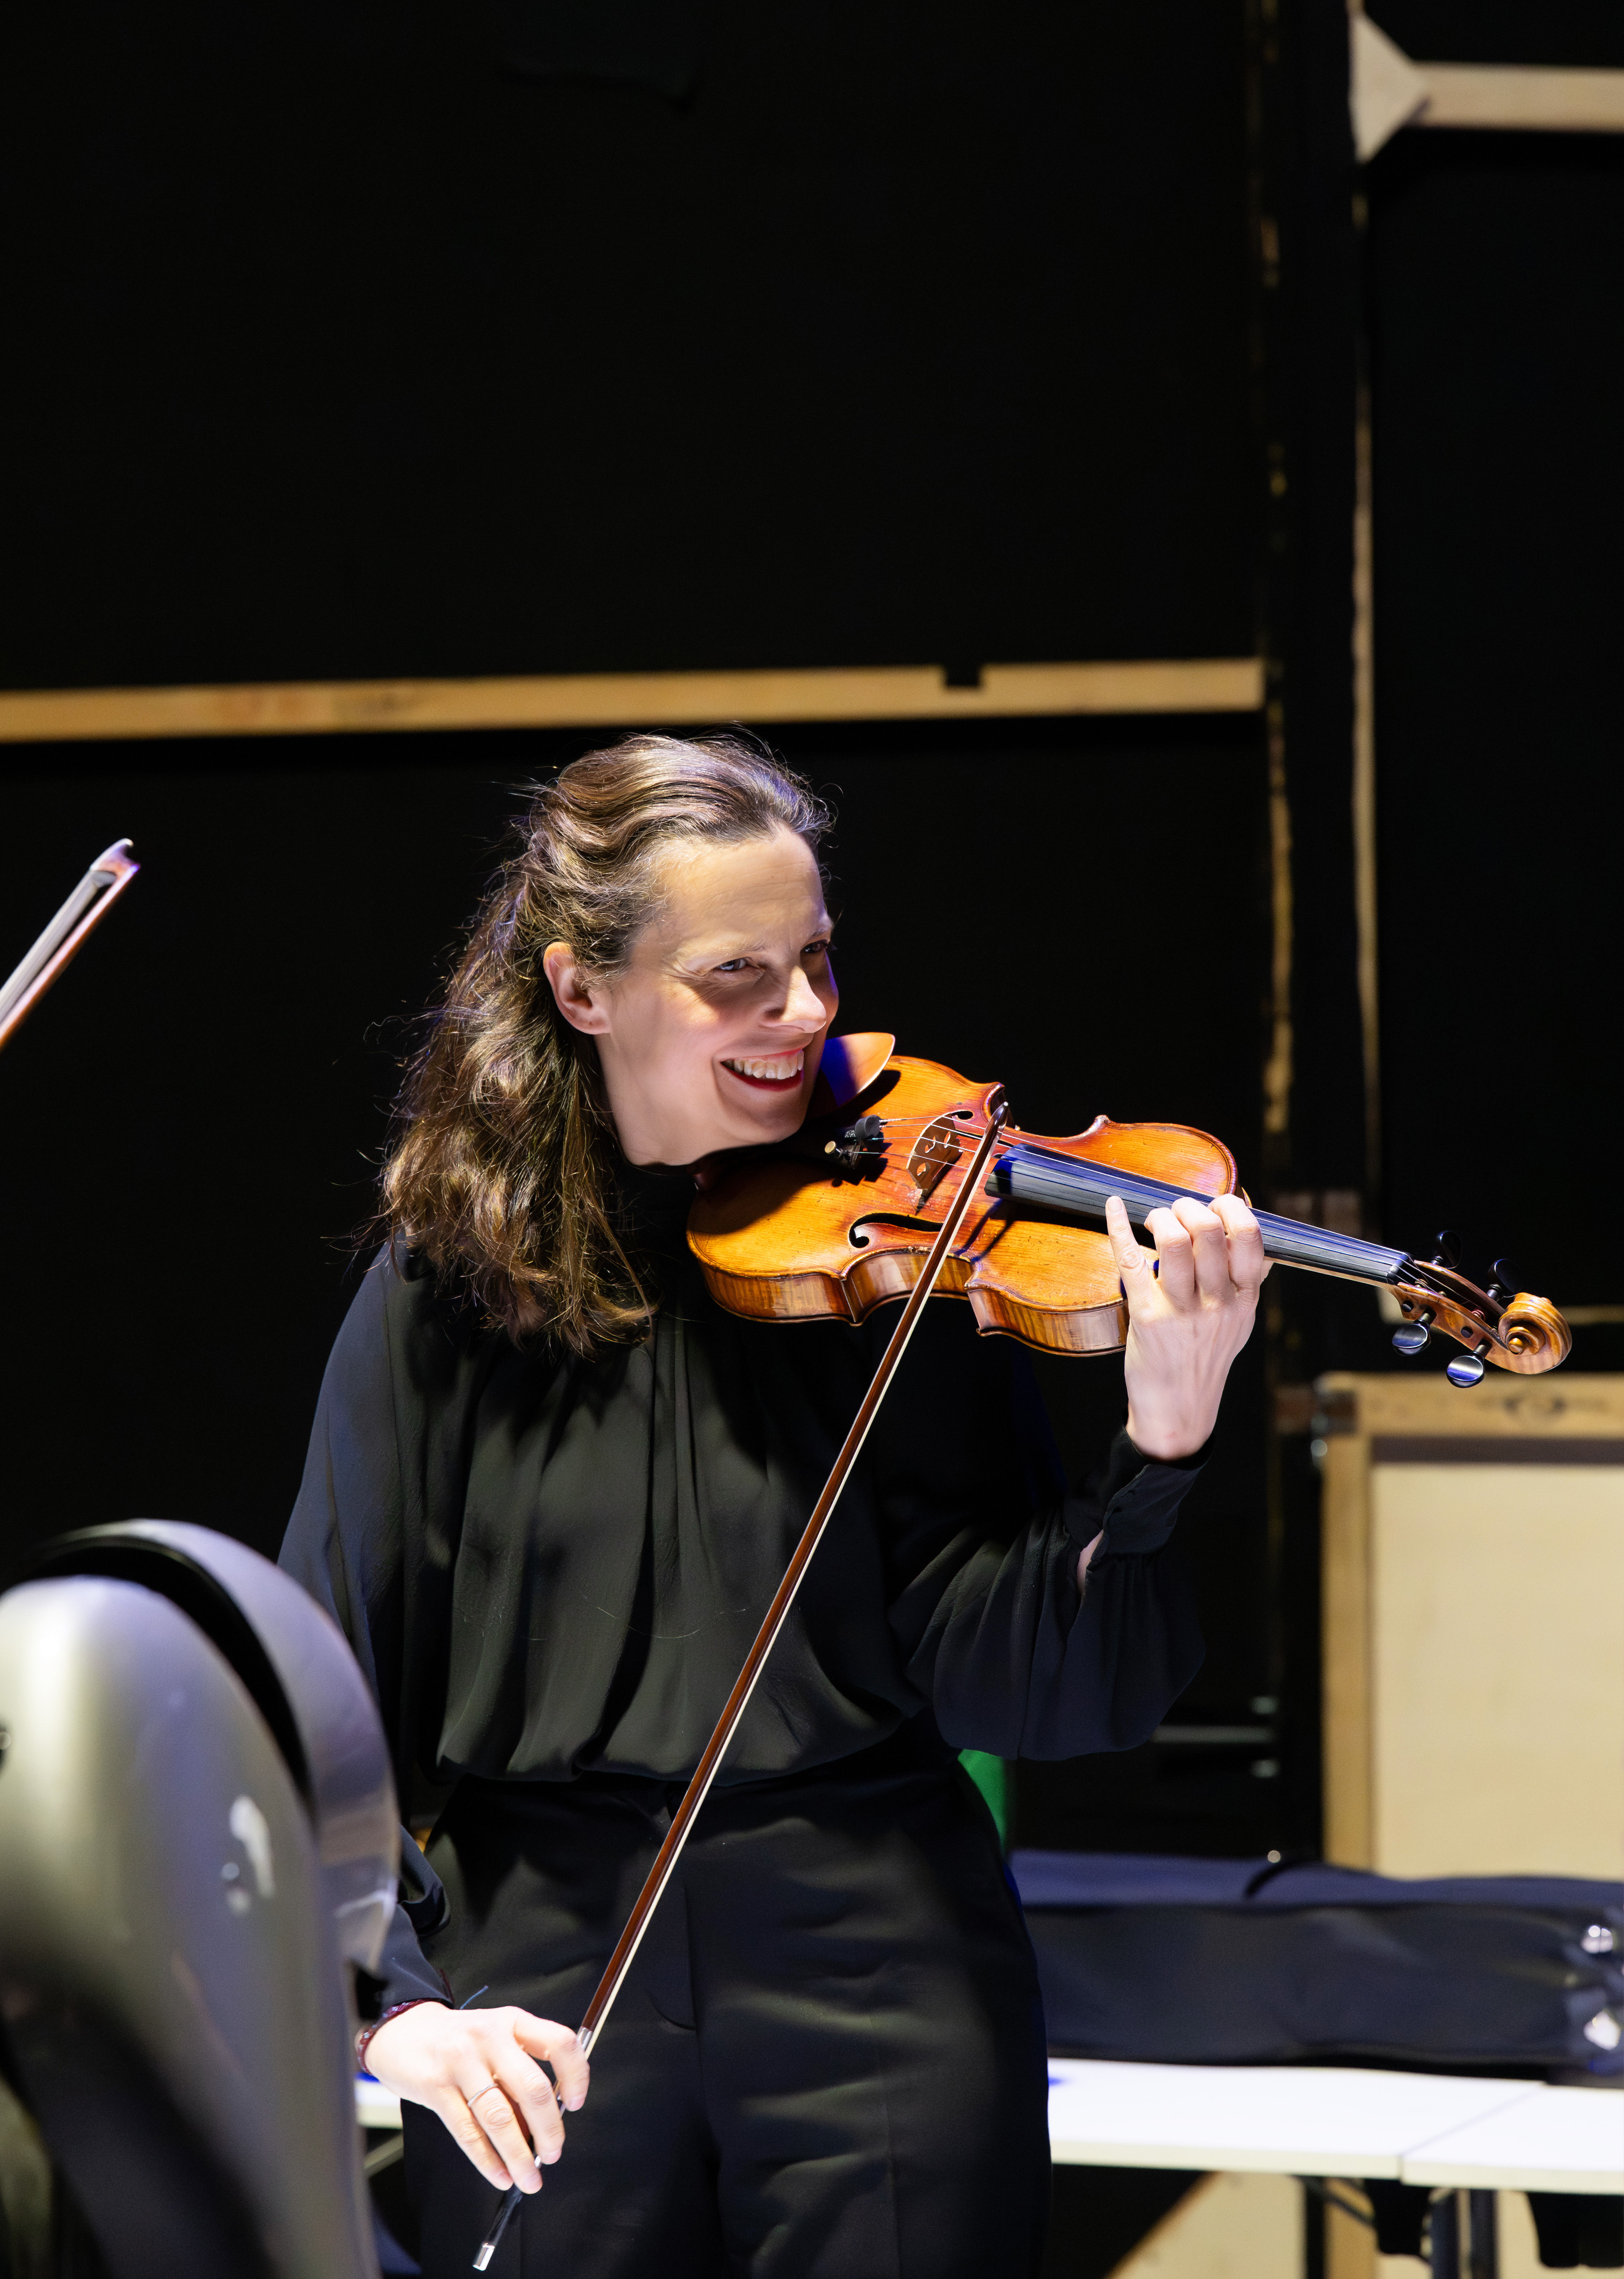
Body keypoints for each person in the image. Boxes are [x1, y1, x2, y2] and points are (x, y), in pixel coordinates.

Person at [280, 731, 1266, 2277]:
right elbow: (315, 1688)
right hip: (540, 1972)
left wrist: (1162, 1431)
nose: (802, 1013)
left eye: (813, 958)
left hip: (876, 1954)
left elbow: (1041, 1687)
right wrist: (390, 2009)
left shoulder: (906, 1251)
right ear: (580, 989)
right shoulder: (447, 1290)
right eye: (733, 974)